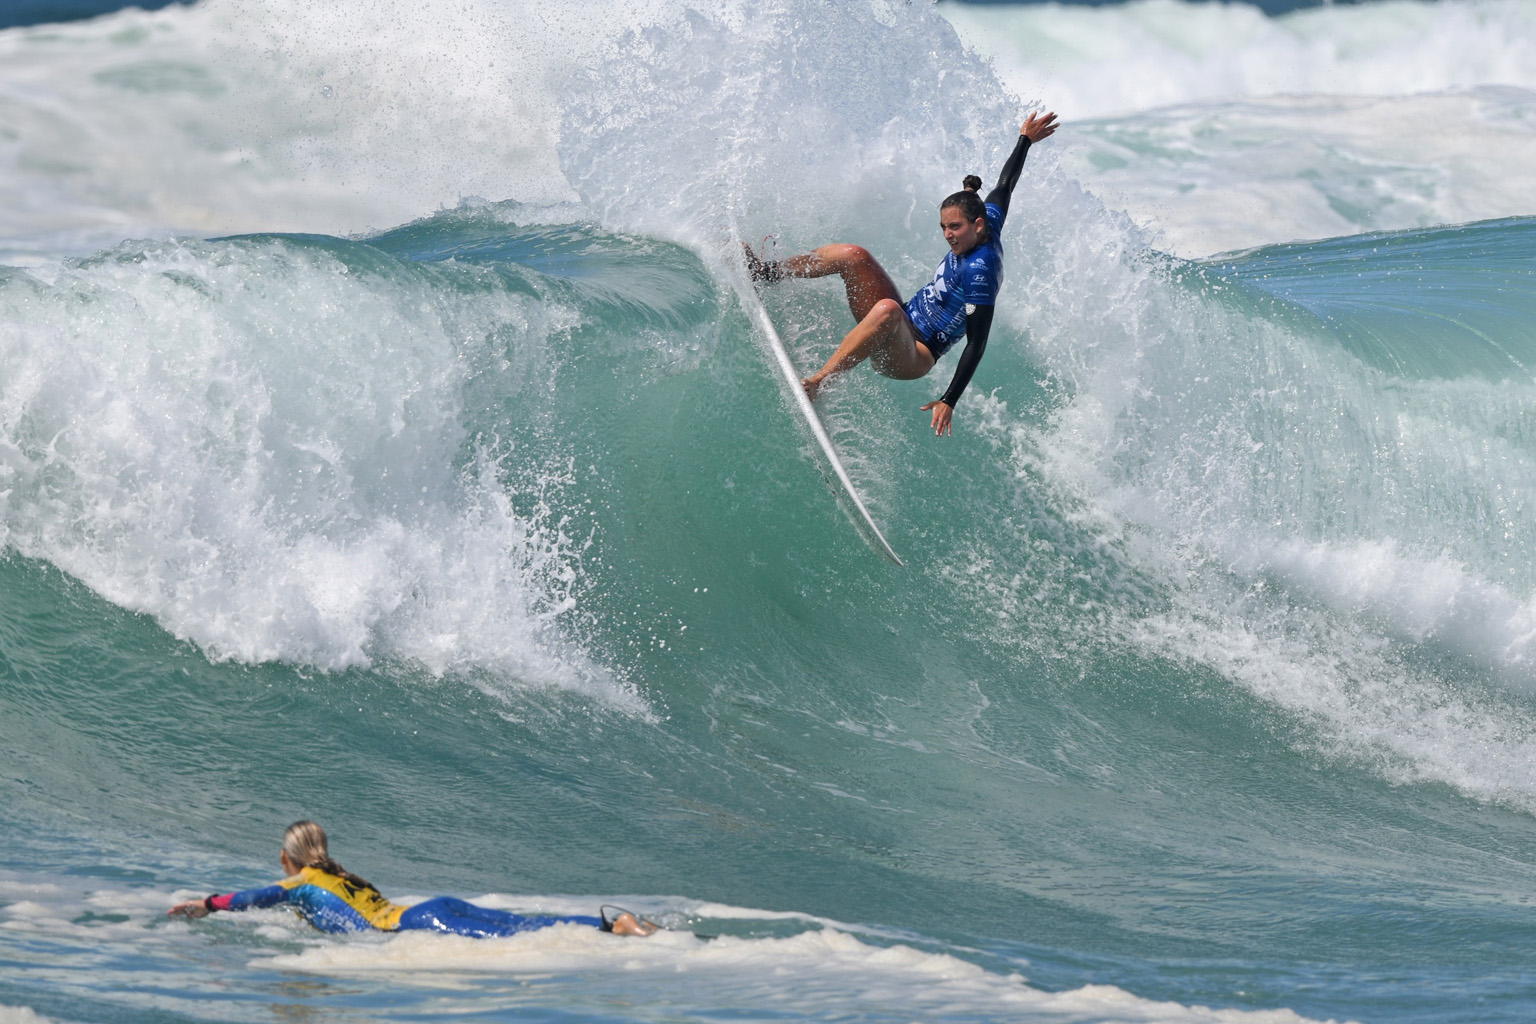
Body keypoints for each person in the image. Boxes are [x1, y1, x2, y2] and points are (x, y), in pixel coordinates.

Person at [744, 110, 1058, 436]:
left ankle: (819, 384)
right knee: (854, 255)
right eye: (944, 227)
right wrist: (1025, 139)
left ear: (976, 225)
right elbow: (1005, 186)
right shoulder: (987, 219)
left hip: (914, 355)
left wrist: (949, 399)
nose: (948, 235)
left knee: (888, 310)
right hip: (901, 320)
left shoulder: (981, 271)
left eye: (955, 227)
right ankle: (767, 273)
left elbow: (976, 344)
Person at [167, 820, 658, 938]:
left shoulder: (301, 883)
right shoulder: (343, 874)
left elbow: (256, 897)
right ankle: (611, 923)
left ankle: (617, 931)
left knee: (510, 934)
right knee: (522, 922)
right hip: (431, 906)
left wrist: (206, 905)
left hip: (413, 926)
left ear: (285, 858)